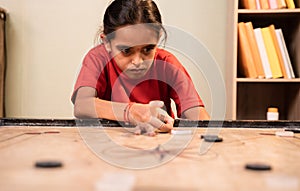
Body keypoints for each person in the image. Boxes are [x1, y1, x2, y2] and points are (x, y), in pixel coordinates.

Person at [71, 0, 210, 135]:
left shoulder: (167, 63)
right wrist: (131, 112)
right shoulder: (97, 59)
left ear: (158, 39)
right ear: (107, 42)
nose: (137, 61)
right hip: (110, 146)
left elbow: (199, 116)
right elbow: (82, 105)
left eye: (148, 49)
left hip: (159, 147)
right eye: (126, 51)